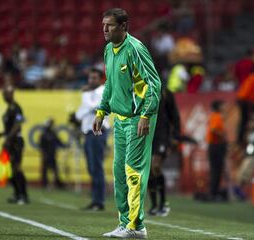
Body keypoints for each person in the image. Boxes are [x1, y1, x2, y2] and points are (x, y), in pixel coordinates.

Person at [92, 8, 161, 239]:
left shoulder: (135, 49)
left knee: (133, 171)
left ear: (123, 26)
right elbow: (109, 84)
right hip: (119, 120)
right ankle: (124, 223)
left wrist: (146, 115)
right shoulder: (109, 50)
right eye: (103, 25)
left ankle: (137, 227)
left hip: (137, 120)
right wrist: (101, 111)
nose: (104, 29)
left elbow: (154, 84)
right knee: (119, 173)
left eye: (109, 25)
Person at [75, 68, 110, 211]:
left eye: (94, 78)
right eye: (90, 78)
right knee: (92, 167)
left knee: (96, 166)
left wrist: (85, 95)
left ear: (100, 79)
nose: (91, 81)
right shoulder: (90, 93)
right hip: (89, 132)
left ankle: (99, 201)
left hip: (99, 131)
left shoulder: (102, 92)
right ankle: (95, 199)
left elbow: (95, 107)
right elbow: (79, 115)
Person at [148, 86, 180, 217]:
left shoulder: (165, 92)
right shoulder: (141, 89)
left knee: (156, 166)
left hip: (162, 135)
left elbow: (175, 115)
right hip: (146, 134)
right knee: (149, 170)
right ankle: (154, 205)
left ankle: (163, 203)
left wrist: (175, 136)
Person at [0, 85, 29, 204]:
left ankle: (23, 195)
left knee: (16, 168)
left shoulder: (16, 108)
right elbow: (10, 126)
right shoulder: (9, 108)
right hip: (10, 141)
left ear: (12, 94)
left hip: (16, 142)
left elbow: (17, 125)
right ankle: (17, 194)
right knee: (9, 169)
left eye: (7, 93)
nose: (4, 96)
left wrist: (8, 138)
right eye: (4, 94)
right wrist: (3, 134)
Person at [235, 114, 254, 200]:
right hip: (248, 155)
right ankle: (241, 192)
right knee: (241, 174)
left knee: (246, 173)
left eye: (253, 122)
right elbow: (246, 143)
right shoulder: (248, 133)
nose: (251, 124)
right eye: (251, 122)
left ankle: (244, 192)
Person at [236, 65, 254, 146]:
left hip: (241, 99)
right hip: (245, 101)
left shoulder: (249, 77)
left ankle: (240, 138)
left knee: (243, 120)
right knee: (246, 119)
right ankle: (241, 139)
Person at [206, 100, 227, 201]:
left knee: (216, 170)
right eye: (222, 105)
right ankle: (213, 193)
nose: (224, 107)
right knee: (216, 170)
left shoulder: (216, 116)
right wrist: (222, 136)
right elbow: (213, 129)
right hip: (216, 145)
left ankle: (214, 192)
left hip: (215, 145)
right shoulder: (216, 116)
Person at [39, 118, 65, 189]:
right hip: (46, 154)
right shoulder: (44, 135)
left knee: (55, 169)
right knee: (45, 170)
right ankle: (44, 183)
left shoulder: (52, 134)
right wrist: (44, 154)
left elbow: (58, 141)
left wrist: (64, 145)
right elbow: (41, 146)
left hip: (52, 154)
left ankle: (57, 183)